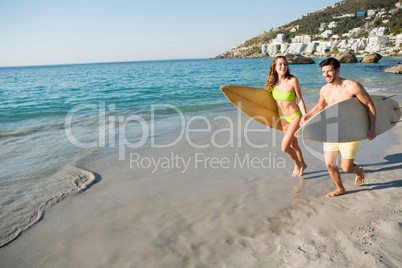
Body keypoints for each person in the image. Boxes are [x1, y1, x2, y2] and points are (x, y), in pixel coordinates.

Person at [300, 57, 376, 197]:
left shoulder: (352, 86)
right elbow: (320, 106)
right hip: (332, 130)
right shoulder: (324, 90)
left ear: (338, 70)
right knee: (329, 164)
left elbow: (370, 105)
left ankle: (358, 171)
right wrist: (306, 116)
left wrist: (372, 128)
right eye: (323, 72)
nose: (326, 75)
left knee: (346, 168)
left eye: (329, 71)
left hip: (349, 131)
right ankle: (340, 188)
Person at [264, 56, 307, 177]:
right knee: (294, 145)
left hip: (294, 116)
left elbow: (300, 99)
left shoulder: (293, 80)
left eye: (285, 64)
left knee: (285, 147)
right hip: (283, 118)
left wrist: (304, 116)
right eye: (280, 64)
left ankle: (298, 164)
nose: (283, 66)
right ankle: (303, 163)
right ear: (275, 67)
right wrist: (269, 120)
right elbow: (271, 105)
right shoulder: (272, 83)